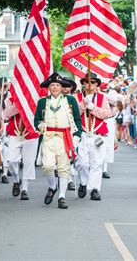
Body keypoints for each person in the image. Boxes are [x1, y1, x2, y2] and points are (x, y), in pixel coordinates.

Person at [34, 73, 82, 209]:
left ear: (62, 88)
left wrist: (77, 136)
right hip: (48, 137)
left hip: (65, 137)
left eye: (57, 85)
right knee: (47, 166)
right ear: (48, 87)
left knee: (63, 168)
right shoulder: (42, 102)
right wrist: (40, 125)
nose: (55, 87)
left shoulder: (70, 101)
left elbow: (77, 120)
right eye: (52, 85)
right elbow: (37, 119)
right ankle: (52, 186)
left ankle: (62, 196)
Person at [75, 73, 112, 201]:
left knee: (97, 163)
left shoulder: (102, 98)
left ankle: (95, 189)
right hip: (82, 135)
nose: (90, 85)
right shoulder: (77, 97)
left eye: (93, 82)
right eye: (87, 82)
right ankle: (83, 183)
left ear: (97, 85)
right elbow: (73, 115)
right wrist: (83, 104)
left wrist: (94, 108)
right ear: (84, 84)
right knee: (82, 163)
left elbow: (107, 114)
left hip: (98, 135)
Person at [2, 86, 38, 200]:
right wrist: (20, 105)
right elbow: (5, 114)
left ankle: (25, 189)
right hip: (15, 133)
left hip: (31, 133)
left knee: (28, 162)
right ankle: (16, 180)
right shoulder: (10, 99)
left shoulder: (36, 99)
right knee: (11, 160)